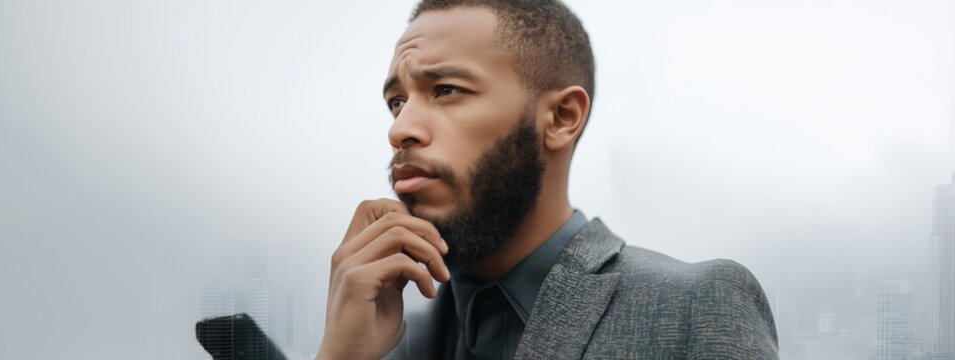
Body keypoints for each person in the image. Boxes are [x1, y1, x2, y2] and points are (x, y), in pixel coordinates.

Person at [316, 1, 778, 359]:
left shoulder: (691, 309)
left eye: (446, 90)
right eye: (396, 101)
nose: (399, 129)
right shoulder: (381, 339)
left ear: (561, 118)